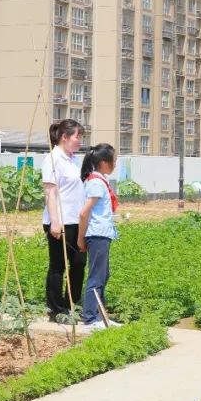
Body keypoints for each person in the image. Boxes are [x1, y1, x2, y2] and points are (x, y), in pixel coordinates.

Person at [41, 119, 87, 322]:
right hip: (60, 221)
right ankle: (56, 309)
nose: (79, 141)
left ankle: (72, 303)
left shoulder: (73, 159)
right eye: (77, 136)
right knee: (58, 266)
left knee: (79, 262)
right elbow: (50, 193)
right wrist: (55, 222)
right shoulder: (52, 159)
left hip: (76, 220)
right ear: (64, 137)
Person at [77, 143, 122, 332]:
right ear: (104, 162)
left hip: (102, 234)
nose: (115, 165)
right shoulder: (96, 182)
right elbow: (84, 213)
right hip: (97, 234)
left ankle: (101, 316)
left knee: (103, 275)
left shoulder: (99, 180)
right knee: (96, 276)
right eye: (113, 161)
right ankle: (91, 317)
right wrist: (81, 238)